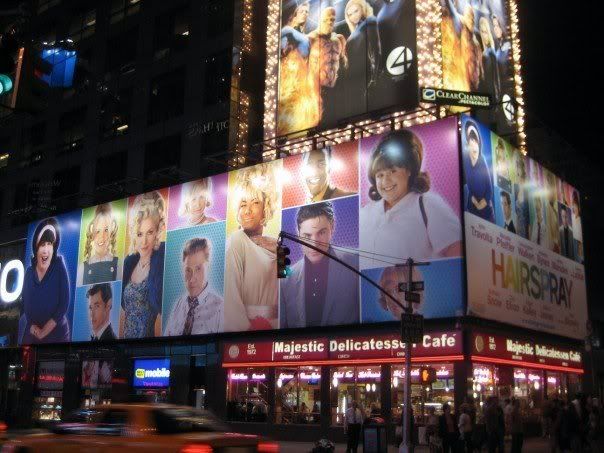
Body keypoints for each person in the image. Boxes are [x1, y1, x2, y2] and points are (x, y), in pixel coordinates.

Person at [360, 129, 462, 269]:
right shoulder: (365, 213)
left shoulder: (427, 204)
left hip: (415, 289)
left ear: (409, 170)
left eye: (393, 171)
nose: (386, 181)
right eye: (380, 175)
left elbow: (457, 253)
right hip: (370, 289)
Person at [280, 202, 359, 328]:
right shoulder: (286, 280)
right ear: (298, 233)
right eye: (307, 235)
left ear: (332, 227)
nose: (315, 244)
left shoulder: (356, 264)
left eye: (321, 233)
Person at [225, 163, 280, 331]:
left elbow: (288, 282)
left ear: (266, 207)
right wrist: (247, 331)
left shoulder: (276, 244)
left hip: (280, 329)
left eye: (255, 202)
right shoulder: (237, 240)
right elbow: (230, 298)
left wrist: (280, 250)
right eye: (242, 204)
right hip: (249, 330)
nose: (247, 210)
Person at [120, 191, 166, 339]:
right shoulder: (129, 263)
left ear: (158, 231)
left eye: (150, 232)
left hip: (149, 346)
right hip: (124, 346)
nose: (144, 241)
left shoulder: (161, 261)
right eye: (140, 234)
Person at [21, 218, 71, 344]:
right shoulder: (29, 273)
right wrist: (33, 327)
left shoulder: (59, 266)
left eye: (50, 244)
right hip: (33, 333)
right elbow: (26, 305)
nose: (46, 250)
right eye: (42, 244)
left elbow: (64, 304)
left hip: (57, 334)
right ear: (36, 248)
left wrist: (44, 331)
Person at [164, 238, 223, 336]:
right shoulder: (178, 305)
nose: (192, 279)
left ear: (209, 267)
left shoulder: (220, 309)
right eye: (188, 270)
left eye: (198, 269)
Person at [308, 6, 347, 128]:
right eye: (327, 19)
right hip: (316, 90)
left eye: (333, 19)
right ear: (320, 19)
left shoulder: (339, 39)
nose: (330, 22)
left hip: (335, 89)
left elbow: (345, 63)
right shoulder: (311, 38)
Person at [340, 0, 380, 117]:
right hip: (352, 78)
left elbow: (376, 50)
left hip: (364, 75)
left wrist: (374, 78)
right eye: (349, 14)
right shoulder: (356, 30)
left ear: (362, 8)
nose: (353, 16)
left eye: (356, 11)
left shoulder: (369, 21)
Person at [79, 203, 119, 285]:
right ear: (92, 234)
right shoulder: (83, 268)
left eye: (106, 230)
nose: (101, 237)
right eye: (97, 231)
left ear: (111, 233)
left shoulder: (119, 265)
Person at [463, 120, 495, 222]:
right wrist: (474, 201)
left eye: (475, 140)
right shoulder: (465, 159)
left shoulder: (482, 160)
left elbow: (489, 191)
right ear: (467, 143)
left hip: (486, 212)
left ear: (479, 141)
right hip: (471, 209)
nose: (474, 145)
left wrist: (480, 205)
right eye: (470, 141)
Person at [513, 156, 530, 239]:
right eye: (517, 174)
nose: (517, 176)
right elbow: (515, 215)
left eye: (519, 174)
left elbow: (528, 219)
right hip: (517, 232)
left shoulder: (527, 192)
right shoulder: (515, 189)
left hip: (525, 233)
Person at [545, 173, 561, 254]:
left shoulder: (556, 207)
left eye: (550, 188)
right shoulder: (547, 207)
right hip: (551, 251)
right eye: (547, 188)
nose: (548, 191)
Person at [571, 191, 583, 262]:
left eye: (575, 205)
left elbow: (580, 243)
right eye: (573, 205)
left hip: (579, 256)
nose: (574, 207)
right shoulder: (571, 217)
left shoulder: (580, 221)